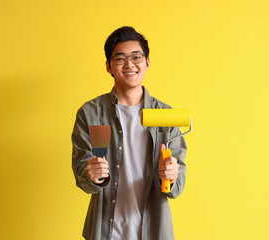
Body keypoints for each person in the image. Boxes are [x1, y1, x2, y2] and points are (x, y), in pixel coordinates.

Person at [71, 26, 187, 240]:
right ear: (108, 66)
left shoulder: (166, 117)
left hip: (154, 231)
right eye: (120, 58)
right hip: (104, 232)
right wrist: (91, 174)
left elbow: (177, 185)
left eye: (136, 57)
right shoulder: (91, 113)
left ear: (147, 62)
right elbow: (81, 172)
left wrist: (171, 176)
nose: (130, 64)